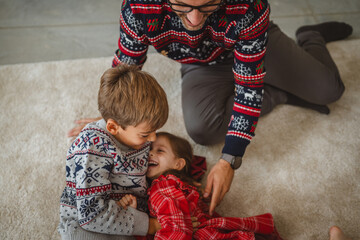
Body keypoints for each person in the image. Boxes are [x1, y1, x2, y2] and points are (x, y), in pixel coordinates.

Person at [68, 0, 352, 216]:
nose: (194, 19)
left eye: (207, 6)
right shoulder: (138, 5)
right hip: (201, 64)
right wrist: (113, 116)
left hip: (253, 47)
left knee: (329, 90)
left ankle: (310, 36)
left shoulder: (250, 7)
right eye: (183, 6)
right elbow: (127, 64)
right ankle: (280, 94)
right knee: (201, 130)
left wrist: (229, 160)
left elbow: (249, 87)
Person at [58, 65, 169, 240]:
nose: (153, 139)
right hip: (86, 225)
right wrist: (150, 225)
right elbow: (91, 214)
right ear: (113, 127)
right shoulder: (91, 148)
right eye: (146, 134)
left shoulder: (138, 134)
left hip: (125, 213)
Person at [119, 132, 283, 240]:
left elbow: (177, 228)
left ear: (179, 163)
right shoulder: (172, 185)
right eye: (148, 151)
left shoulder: (163, 185)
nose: (151, 154)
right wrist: (135, 214)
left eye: (160, 151)